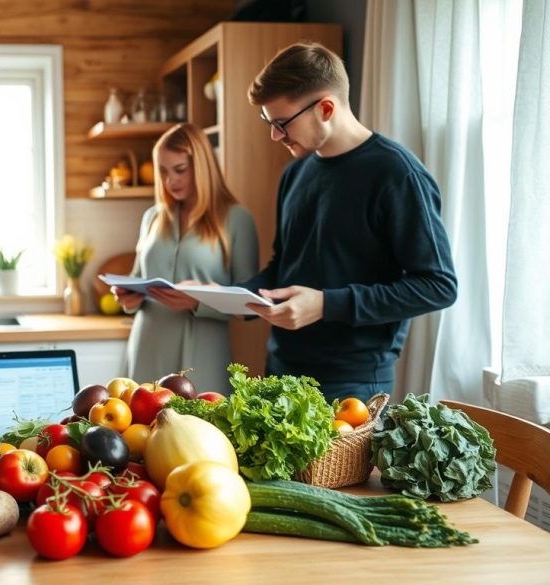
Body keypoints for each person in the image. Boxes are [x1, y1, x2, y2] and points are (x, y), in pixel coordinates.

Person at [240, 42, 457, 403]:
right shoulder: (294, 175)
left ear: (326, 108)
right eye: (268, 122)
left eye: (281, 123)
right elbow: (284, 268)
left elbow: (438, 285)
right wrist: (213, 297)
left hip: (351, 384)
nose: (275, 135)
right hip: (279, 372)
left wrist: (327, 304)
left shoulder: (397, 174)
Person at [113, 123, 259, 393]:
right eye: (164, 171)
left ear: (202, 167)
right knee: (135, 431)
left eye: (179, 170)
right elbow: (137, 277)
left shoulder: (237, 219)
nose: (170, 181)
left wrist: (199, 300)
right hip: (147, 348)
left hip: (203, 355)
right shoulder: (152, 217)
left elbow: (250, 304)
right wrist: (126, 296)